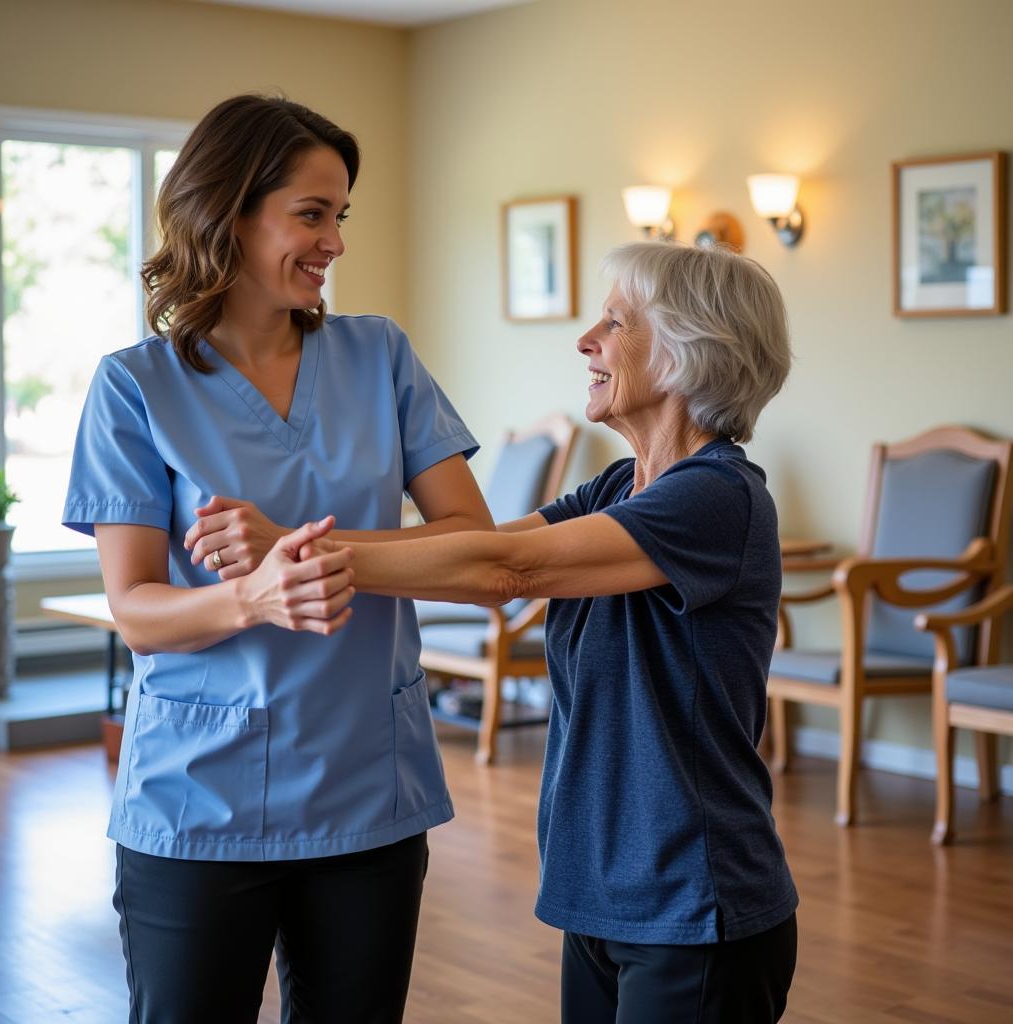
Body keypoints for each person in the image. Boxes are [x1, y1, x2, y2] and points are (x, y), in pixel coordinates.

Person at [61, 94, 492, 1024]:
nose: (334, 241)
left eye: (340, 216)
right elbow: (135, 609)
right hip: (197, 802)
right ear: (227, 211)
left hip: (368, 790)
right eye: (311, 214)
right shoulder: (134, 387)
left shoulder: (380, 356)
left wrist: (310, 551)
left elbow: (471, 547)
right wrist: (253, 598)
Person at [292, 240, 799, 1022]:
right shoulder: (617, 486)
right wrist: (298, 548)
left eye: (615, 322)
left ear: (688, 351)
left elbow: (509, 572)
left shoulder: (717, 497)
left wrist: (299, 554)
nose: (586, 340)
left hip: (695, 902)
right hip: (601, 893)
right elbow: (469, 554)